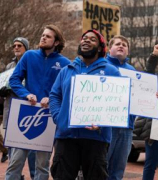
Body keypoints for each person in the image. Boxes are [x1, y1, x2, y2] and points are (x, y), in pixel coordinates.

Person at [49, 29, 120, 180]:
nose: (86, 40)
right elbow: (55, 95)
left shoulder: (111, 71)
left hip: (96, 139)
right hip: (66, 137)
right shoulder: (66, 70)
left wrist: (102, 123)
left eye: (92, 39)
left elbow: (118, 103)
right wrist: (58, 118)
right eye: (84, 38)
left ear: (100, 48)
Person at [5, 24, 71, 180]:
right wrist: (26, 94)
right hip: (26, 112)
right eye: (43, 35)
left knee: (42, 165)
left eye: (48, 36)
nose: (43, 37)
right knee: (15, 162)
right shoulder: (29, 56)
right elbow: (14, 80)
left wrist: (53, 98)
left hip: (47, 117)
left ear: (56, 42)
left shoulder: (65, 63)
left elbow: (67, 89)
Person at [0, 37, 36, 180]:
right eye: (14, 45)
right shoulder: (9, 66)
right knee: (12, 152)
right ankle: (17, 176)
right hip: (10, 109)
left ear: (26, 48)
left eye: (19, 45)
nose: (16, 48)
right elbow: (5, 83)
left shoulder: (32, 63)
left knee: (32, 149)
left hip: (28, 111)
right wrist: (0, 90)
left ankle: (34, 176)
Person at [105, 35, 135, 180]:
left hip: (126, 127)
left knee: (118, 170)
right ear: (109, 48)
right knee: (101, 167)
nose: (121, 46)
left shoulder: (132, 71)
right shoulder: (102, 66)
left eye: (124, 44)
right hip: (107, 125)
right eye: (117, 44)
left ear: (128, 51)